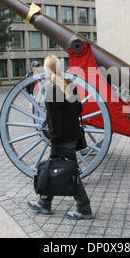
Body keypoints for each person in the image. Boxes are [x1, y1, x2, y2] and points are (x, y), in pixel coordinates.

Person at [28, 55, 93, 220]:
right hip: (72, 135)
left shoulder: (52, 90)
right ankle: (44, 202)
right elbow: (78, 109)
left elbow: (55, 123)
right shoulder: (69, 85)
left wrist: (53, 139)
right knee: (55, 170)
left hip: (61, 138)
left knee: (70, 173)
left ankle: (84, 209)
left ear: (47, 70)